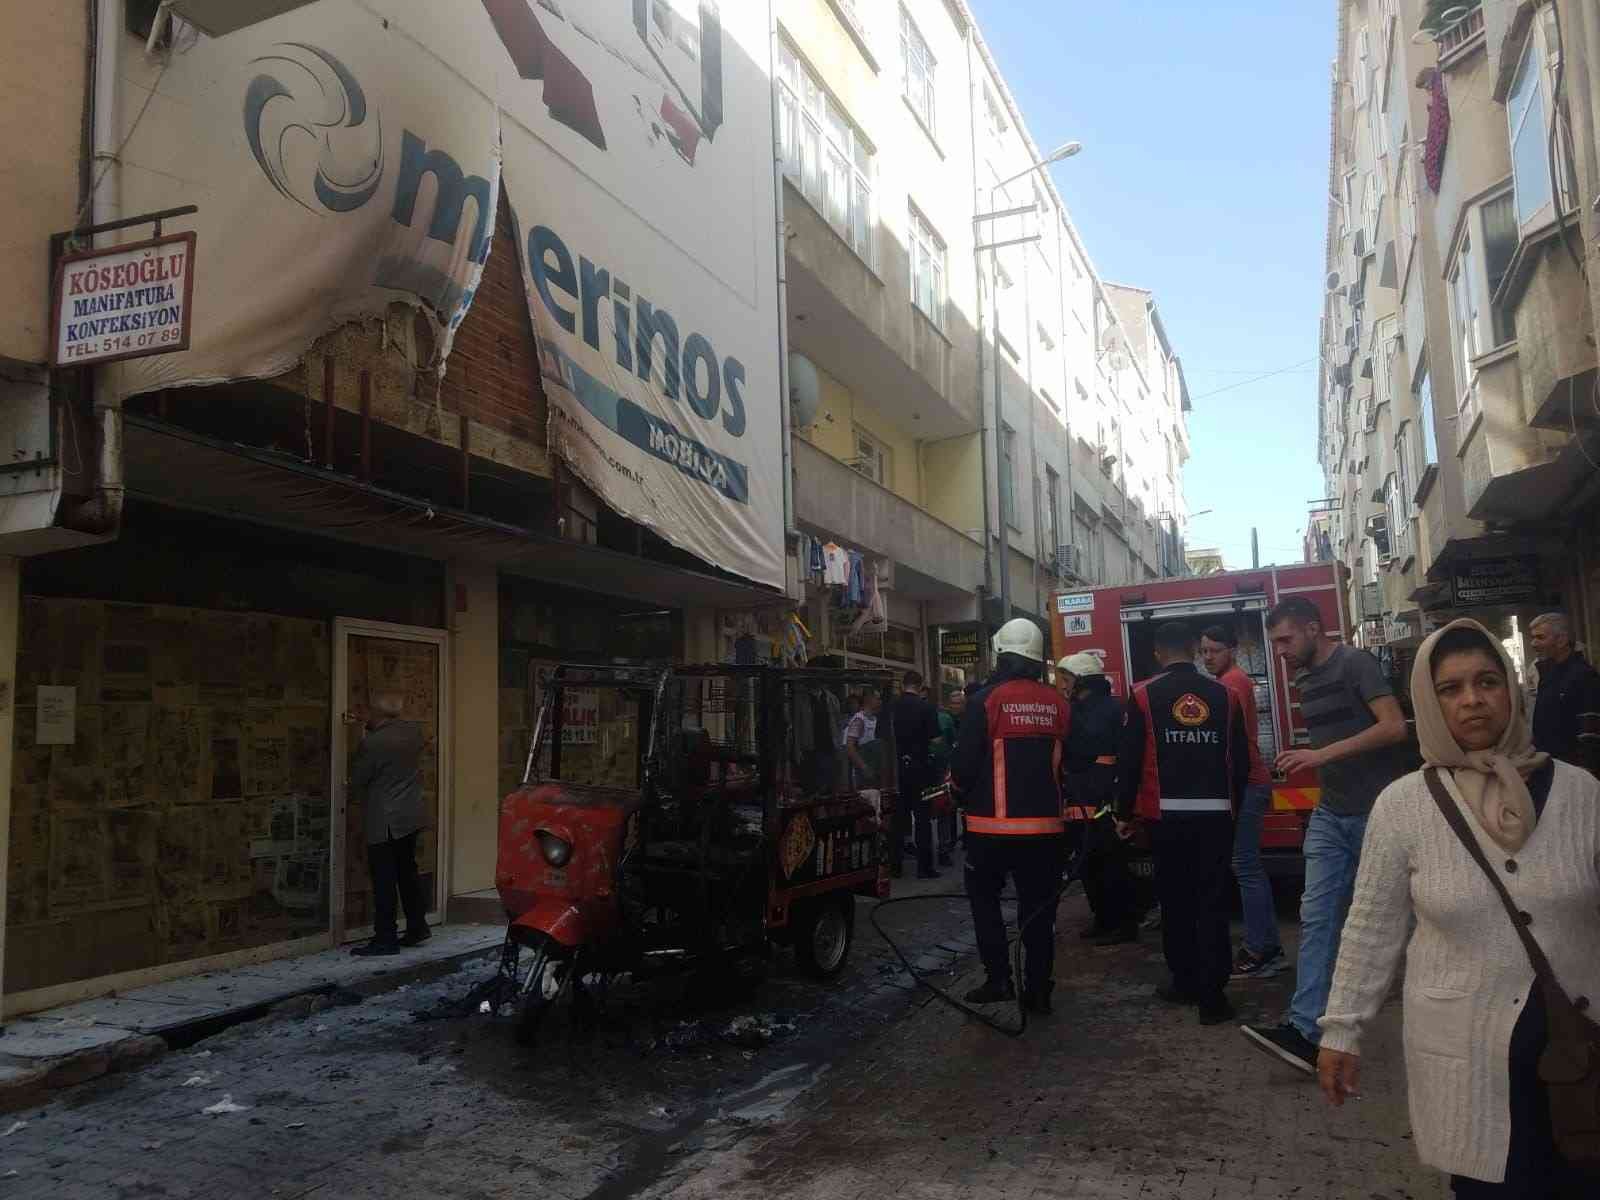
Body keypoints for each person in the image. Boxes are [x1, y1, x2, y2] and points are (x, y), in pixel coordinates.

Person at [1316, 619, 1599, 1197]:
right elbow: (1371, 928)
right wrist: (1342, 1031)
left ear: (1512, 691)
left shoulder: (1581, 793)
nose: (1472, 700)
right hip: (1467, 1064)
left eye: (1488, 681)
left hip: (1580, 1055)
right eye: (1450, 689)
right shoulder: (1403, 806)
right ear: (1429, 700)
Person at [1241, 596, 1412, 1073]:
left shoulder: (1355, 663)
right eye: (1274, 642)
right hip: (1331, 815)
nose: (1279, 651)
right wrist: (1309, 752)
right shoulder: (1304, 678)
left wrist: (1319, 755)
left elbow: (1394, 727)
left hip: (1378, 817)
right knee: (1316, 918)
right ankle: (1304, 1032)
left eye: (1284, 639)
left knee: (1403, 924)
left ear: (1314, 629)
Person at [1116, 622, 1249, 1025]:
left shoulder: (1141, 695)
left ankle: (1185, 981)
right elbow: (1240, 762)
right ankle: (1213, 998)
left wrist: (1123, 814)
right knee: (1212, 902)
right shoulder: (1225, 696)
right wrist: (1233, 808)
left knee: (1175, 902)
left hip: (1166, 817)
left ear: (1158, 652)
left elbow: (1129, 761)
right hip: (1215, 818)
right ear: (1194, 649)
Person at [951, 618, 1072, 1015]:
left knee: (984, 902)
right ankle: (1038, 990)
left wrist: (957, 794)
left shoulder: (984, 701)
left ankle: (998, 979)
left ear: (1001, 654)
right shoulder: (1058, 703)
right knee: (1038, 911)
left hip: (989, 831)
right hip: (1045, 830)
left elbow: (964, 766)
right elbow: (1068, 764)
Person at [1199, 624, 1285, 980]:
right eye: (1203, 650)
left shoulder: (1232, 683)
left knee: (1246, 866)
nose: (1207, 657)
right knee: (1246, 865)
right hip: (1248, 783)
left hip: (1248, 784)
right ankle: (1266, 946)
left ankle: (1263, 950)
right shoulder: (1230, 681)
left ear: (1231, 649)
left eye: (1214, 650)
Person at [1061, 651, 1136, 946]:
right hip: (1081, 800)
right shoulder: (1077, 709)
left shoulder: (1108, 709)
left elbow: (1091, 748)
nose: (1063, 685)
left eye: (1067, 679)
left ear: (1081, 681)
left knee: (1111, 866)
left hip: (1105, 800)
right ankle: (1103, 920)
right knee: (1088, 867)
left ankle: (1123, 923)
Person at [348, 691, 429, 957]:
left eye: (369, 711)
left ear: (378, 714)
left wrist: (359, 734)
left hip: (385, 819)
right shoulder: (414, 733)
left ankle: (385, 937)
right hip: (410, 814)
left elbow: (359, 777)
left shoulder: (374, 743)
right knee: (407, 872)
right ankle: (417, 926)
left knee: (384, 879)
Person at [1528, 611, 1600, 771]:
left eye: (1540, 637)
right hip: (1551, 767)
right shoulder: (1548, 674)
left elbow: (1590, 736)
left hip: (1574, 771)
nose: (1533, 643)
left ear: (1561, 640)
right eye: (1533, 637)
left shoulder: (1584, 676)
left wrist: (1586, 775)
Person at [891, 671, 942, 880]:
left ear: (903, 685)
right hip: (922, 771)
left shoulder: (892, 706)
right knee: (923, 820)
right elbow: (936, 740)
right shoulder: (926, 707)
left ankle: (895, 866)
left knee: (897, 819)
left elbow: (883, 737)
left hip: (897, 770)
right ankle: (924, 868)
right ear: (921, 686)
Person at [931, 686, 962, 866]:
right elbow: (953, 743)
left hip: (931, 771)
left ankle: (942, 847)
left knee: (940, 808)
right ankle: (944, 849)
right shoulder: (946, 719)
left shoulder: (941, 717)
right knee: (944, 808)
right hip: (942, 772)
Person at [844, 688, 882, 789]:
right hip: (863, 772)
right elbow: (850, 747)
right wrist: (864, 767)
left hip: (875, 769)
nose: (880, 701)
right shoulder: (859, 720)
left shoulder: (876, 719)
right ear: (868, 699)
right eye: (877, 698)